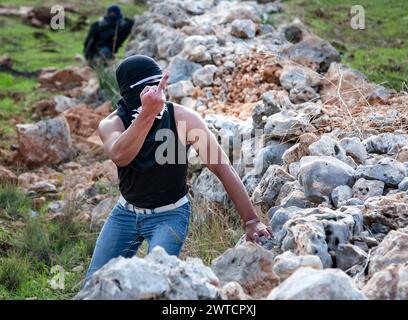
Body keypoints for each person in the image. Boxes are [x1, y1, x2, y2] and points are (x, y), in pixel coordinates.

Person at [84, 55, 273, 284]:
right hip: (126, 213)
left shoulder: (183, 118)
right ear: (132, 95)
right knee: (94, 285)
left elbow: (222, 167)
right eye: (150, 89)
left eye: (161, 86)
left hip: (170, 215)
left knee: (155, 282)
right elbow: (120, 156)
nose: (159, 95)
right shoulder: (112, 124)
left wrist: (251, 221)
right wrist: (146, 114)